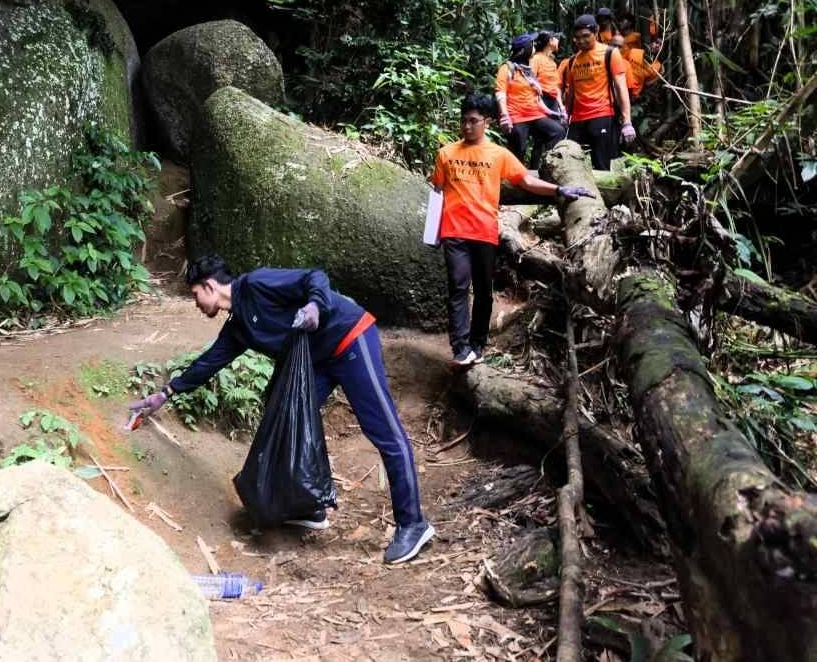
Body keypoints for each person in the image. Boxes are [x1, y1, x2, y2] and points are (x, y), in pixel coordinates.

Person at [128, 255, 435, 564]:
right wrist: (166, 393)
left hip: (350, 339)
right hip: (318, 361)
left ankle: (413, 524)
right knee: (284, 419)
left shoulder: (257, 283)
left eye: (195, 294)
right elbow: (209, 362)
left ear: (209, 286)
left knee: (382, 430)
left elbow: (315, 277)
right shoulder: (239, 325)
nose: (196, 303)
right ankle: (308, 507)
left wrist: (314, 306)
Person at [429, 93, 594, 367]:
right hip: (454, 231)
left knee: (484, 291)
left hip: (484, 231)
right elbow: (437, 191)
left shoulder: (499, 154)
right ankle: (460, 348)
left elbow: (527, 181)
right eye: (464, 121)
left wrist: (559, 189)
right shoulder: (446, 154)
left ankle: (477, 345)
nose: (467, 126)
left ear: (487, 122)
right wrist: (433, 232)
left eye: (473, 121)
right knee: (458, 287)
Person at [563, 14, 635, 170]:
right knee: (571, 165)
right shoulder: (572, 61)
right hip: (577, 120)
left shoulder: (610, 53)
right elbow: (571, 92)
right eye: (577, 38)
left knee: (602, 165)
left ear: (596, 33)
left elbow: (621, 88)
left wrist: (627, 122)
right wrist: (566, 114)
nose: (581, 41)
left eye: (585, 36)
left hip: (601, 116)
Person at [495, 33, 565, 168]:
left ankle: (548, 167)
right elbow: (500, 93)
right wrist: (504, 116)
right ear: (524, 49)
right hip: (517, 116)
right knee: (519, 151)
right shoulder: (507, 68)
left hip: (535, 115)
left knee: (558, 132)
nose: (534, 46)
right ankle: (514, 177)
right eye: (531, 44)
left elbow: (536, 97)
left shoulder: (528, 70)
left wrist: (553, 112)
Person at [530, 31, 568, 125]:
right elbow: (531, 81)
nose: (558, 41)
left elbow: (555, 86)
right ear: (550, 41)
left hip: (553, 101)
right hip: (542, 99)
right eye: (555, 38)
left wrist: (561, 106)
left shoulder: (552, 62)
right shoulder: (536, 59)